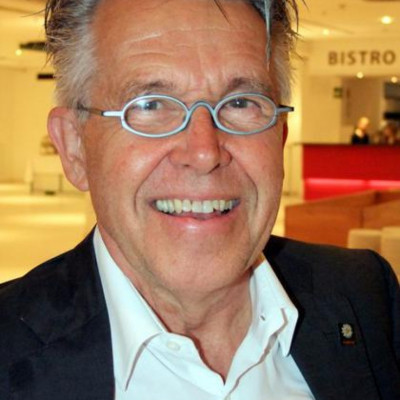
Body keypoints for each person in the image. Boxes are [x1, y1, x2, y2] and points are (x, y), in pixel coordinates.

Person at [0, 0, 399, 399]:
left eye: (241, 103)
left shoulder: (365, 297)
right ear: (74, 147)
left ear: (279, 136)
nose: (205, 153)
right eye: (150, 105)